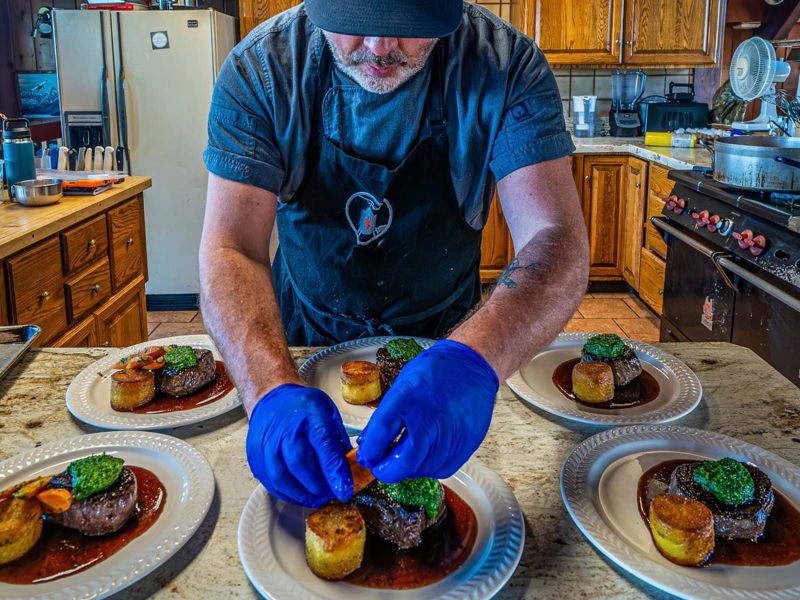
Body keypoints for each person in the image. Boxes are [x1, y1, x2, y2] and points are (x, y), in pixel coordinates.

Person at [199, 0, 589, 508]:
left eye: (409, 28)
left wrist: (473, 361)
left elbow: (555, 237)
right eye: (355, 27)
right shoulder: (264, 69)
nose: (380, 49)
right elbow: (232, 246)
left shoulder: (504, 65)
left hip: (448, 348)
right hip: (300, 350)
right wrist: (268, 387)